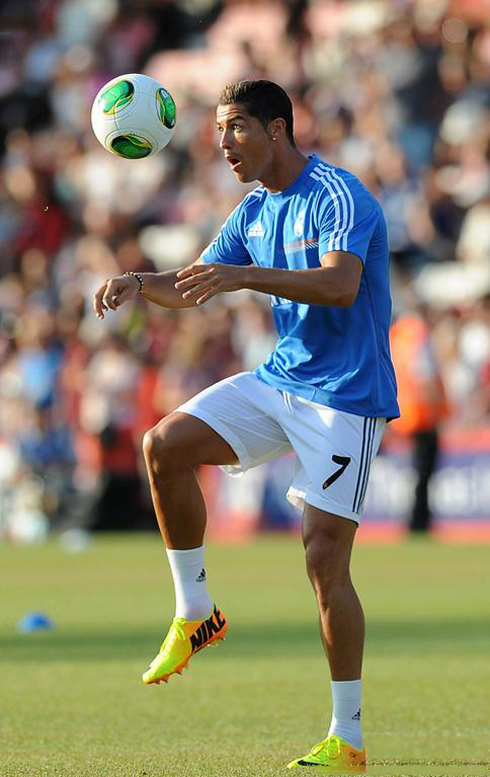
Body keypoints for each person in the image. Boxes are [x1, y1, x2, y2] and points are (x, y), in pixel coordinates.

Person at [93, 79, 399, 772]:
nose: (223, 143)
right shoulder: (255, 208)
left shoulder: (339, 195)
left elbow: (340, 284)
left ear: (278, 129)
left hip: (346, 397)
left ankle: (347, 735)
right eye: (219, 130)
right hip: (281, 381)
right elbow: (202, 279)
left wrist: (246, 277)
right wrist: (140, 281)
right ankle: (195, 610)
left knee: (323, 558)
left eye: (235, 127)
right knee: (162, 445)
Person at [390, 307, 448, 533]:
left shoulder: (397, 336)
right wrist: (435, 410)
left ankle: (416, 518)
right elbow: (424, 374)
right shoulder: (419, 336)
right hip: (422, 414)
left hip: (404, 413)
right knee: (424, 471)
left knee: (416, 470)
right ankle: (419, 520)